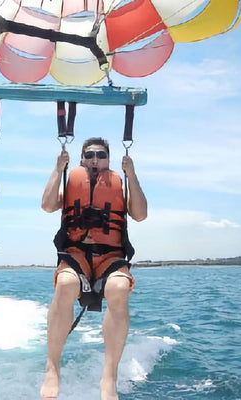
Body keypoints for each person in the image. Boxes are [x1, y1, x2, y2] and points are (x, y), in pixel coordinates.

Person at [40, 137, 147, 400]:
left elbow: (141, 214)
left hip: (110, 257)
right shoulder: (71, 184)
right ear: (81, 159)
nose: (95, 160)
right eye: (89, 155)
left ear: (109, 160)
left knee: (120, 288)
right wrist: (57, 170)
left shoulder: (119, 186)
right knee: (65, 285)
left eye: (100, 155)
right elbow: (47, 205)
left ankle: (109, 376)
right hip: (76, 254)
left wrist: (131, 175)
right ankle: (52, 368)